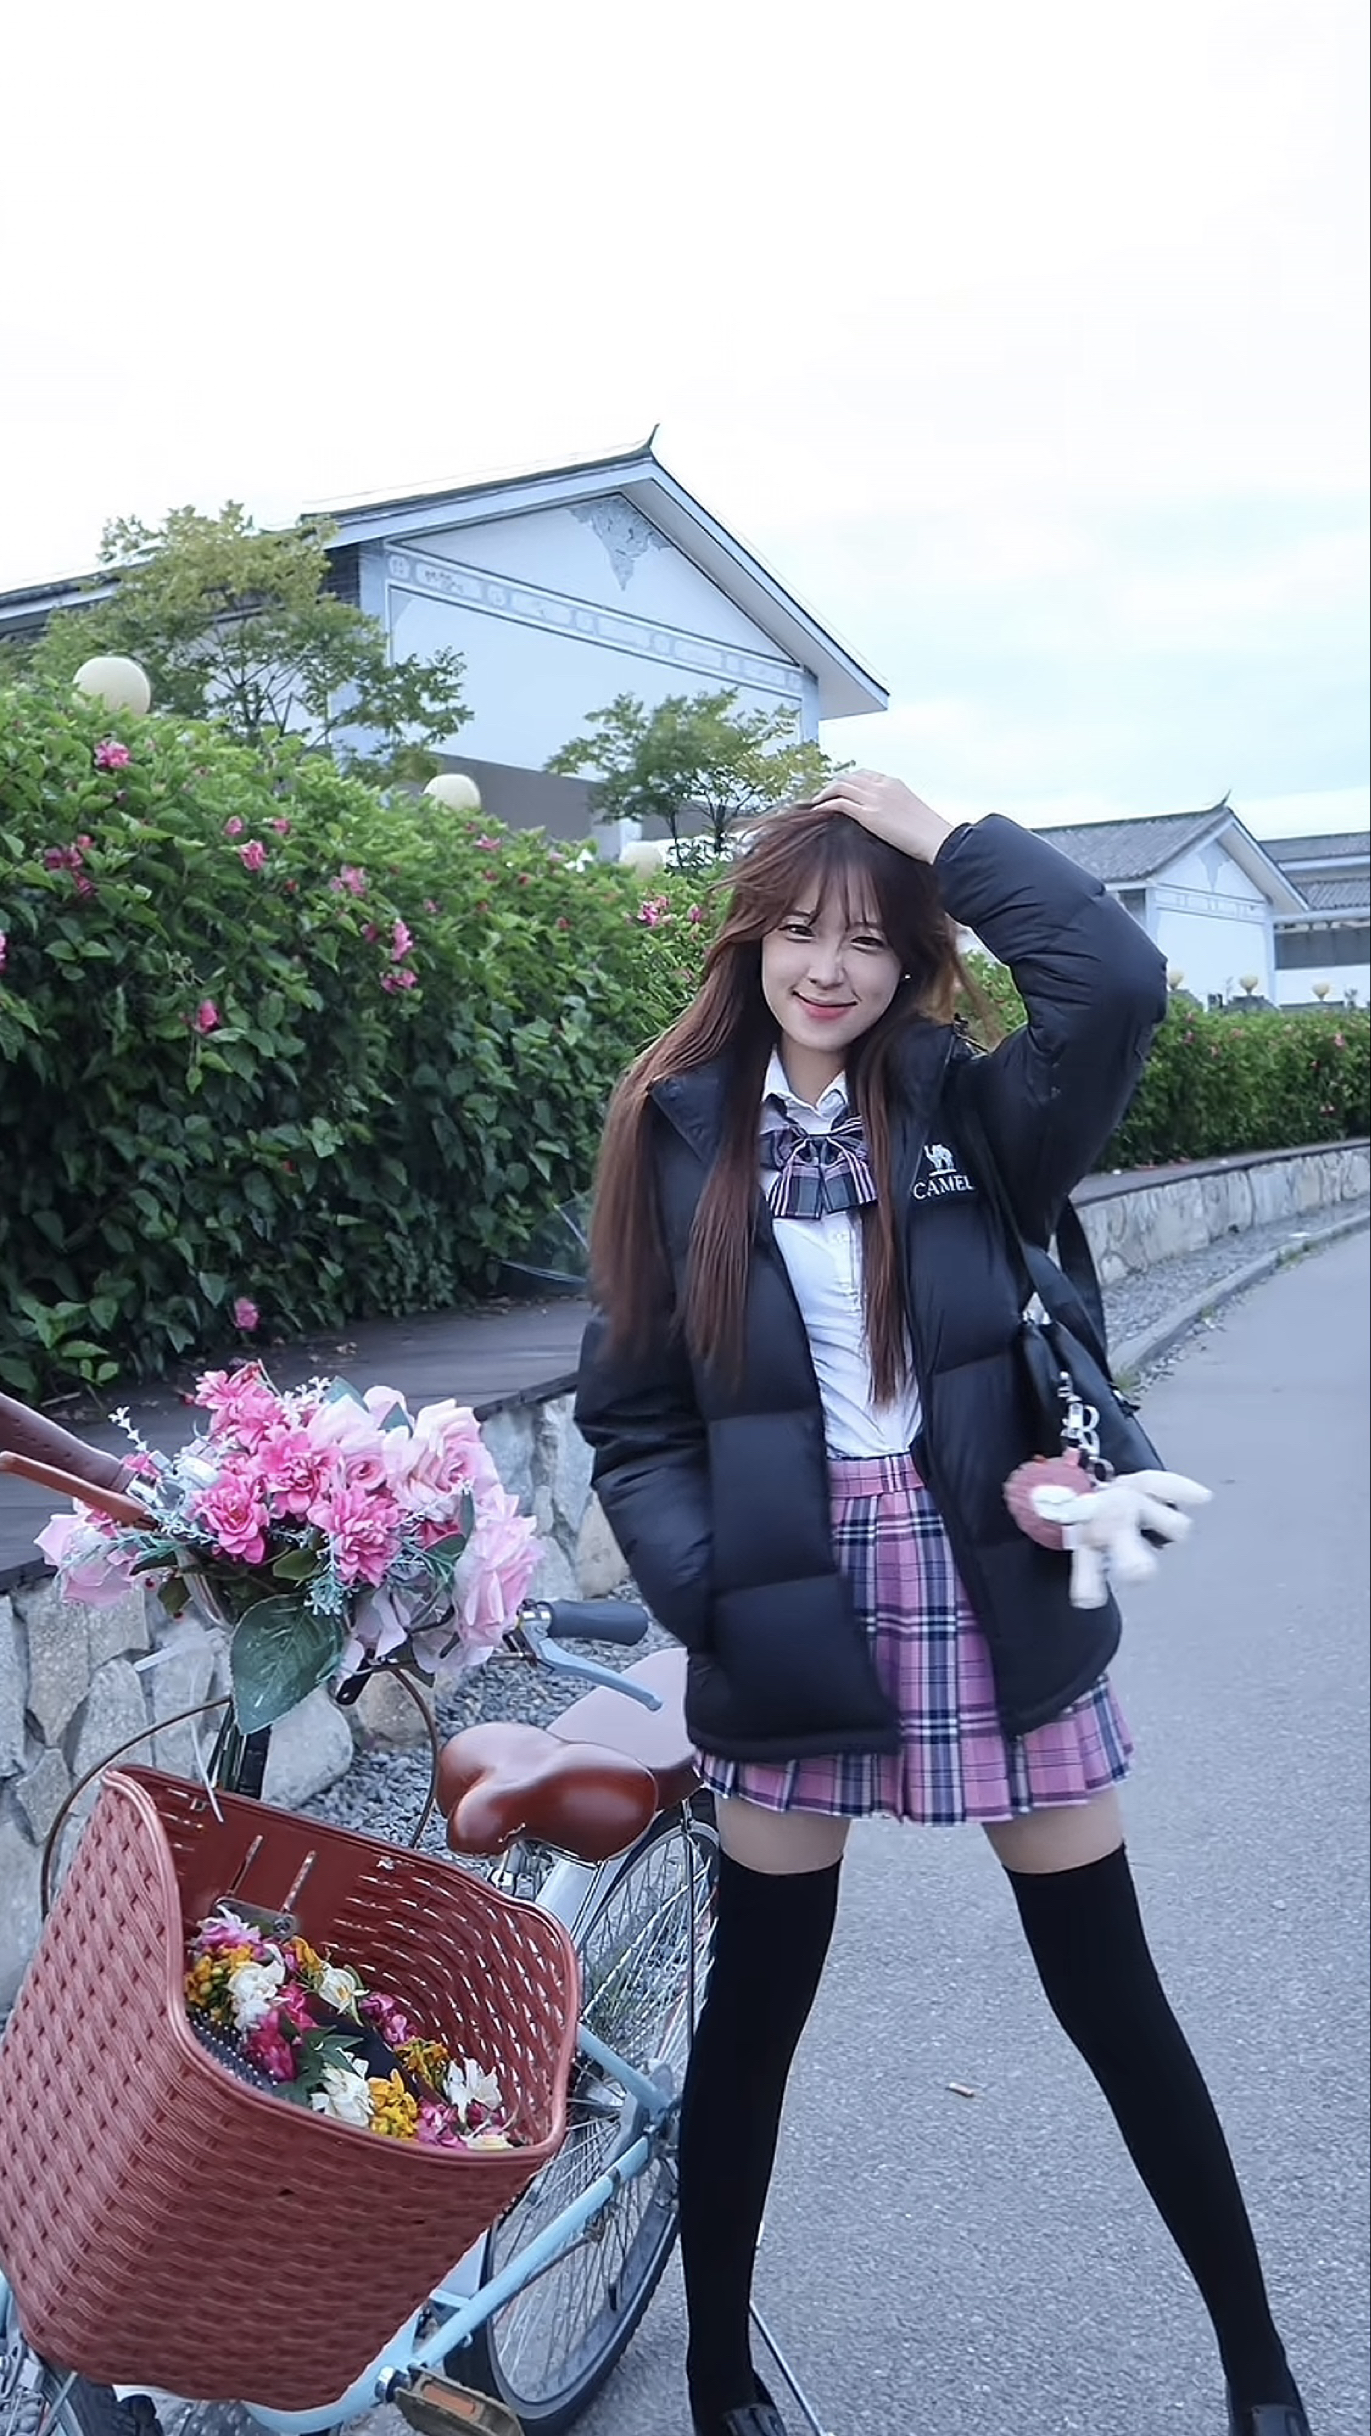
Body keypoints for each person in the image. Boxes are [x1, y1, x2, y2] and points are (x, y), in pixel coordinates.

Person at [575, 773, 1310, 2436]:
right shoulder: (674, 1128)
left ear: (915, 960)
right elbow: (630, 1414)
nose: (827, 968)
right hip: (784, 1595)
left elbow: (1116, 981)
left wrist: (942, 835)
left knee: (1113, 1997)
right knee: (756, 2017)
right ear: (748, 938)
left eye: (867, 938)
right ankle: (717, 2381)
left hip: (989, 1585)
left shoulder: (978, 1113)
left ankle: (1260, 2377)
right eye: (797, 930)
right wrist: (708, 1593)